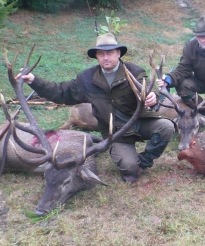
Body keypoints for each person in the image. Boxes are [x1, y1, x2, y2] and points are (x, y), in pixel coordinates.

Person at [20, 33, 175, 183]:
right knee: (129, 168)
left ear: (118, 53)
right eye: (101, 54)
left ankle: (145, 161)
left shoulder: (134, 71)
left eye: (109, 53)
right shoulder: (86, 79)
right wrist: (34, 81)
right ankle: (132, 162)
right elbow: (61, 92)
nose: (105, 57)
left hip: (140, 122)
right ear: (96, 57)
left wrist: (152, 95)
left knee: (166, 126)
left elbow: (148, 86)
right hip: (116, 132)